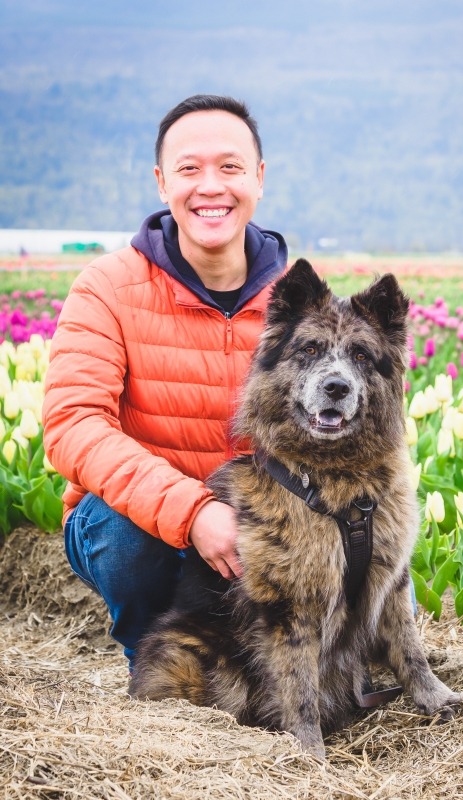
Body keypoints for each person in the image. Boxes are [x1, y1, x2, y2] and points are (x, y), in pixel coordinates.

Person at [42, 95, 288, 668]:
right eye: (188, 169)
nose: (210, 187)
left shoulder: (297, 300)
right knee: (129, 535)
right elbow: (73, 425)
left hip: (260, 518)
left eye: (229, 167)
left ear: (258, 178)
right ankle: (153, 658)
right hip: (138, 524)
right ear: (161, 183)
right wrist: (195, 512)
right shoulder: (108, 287)